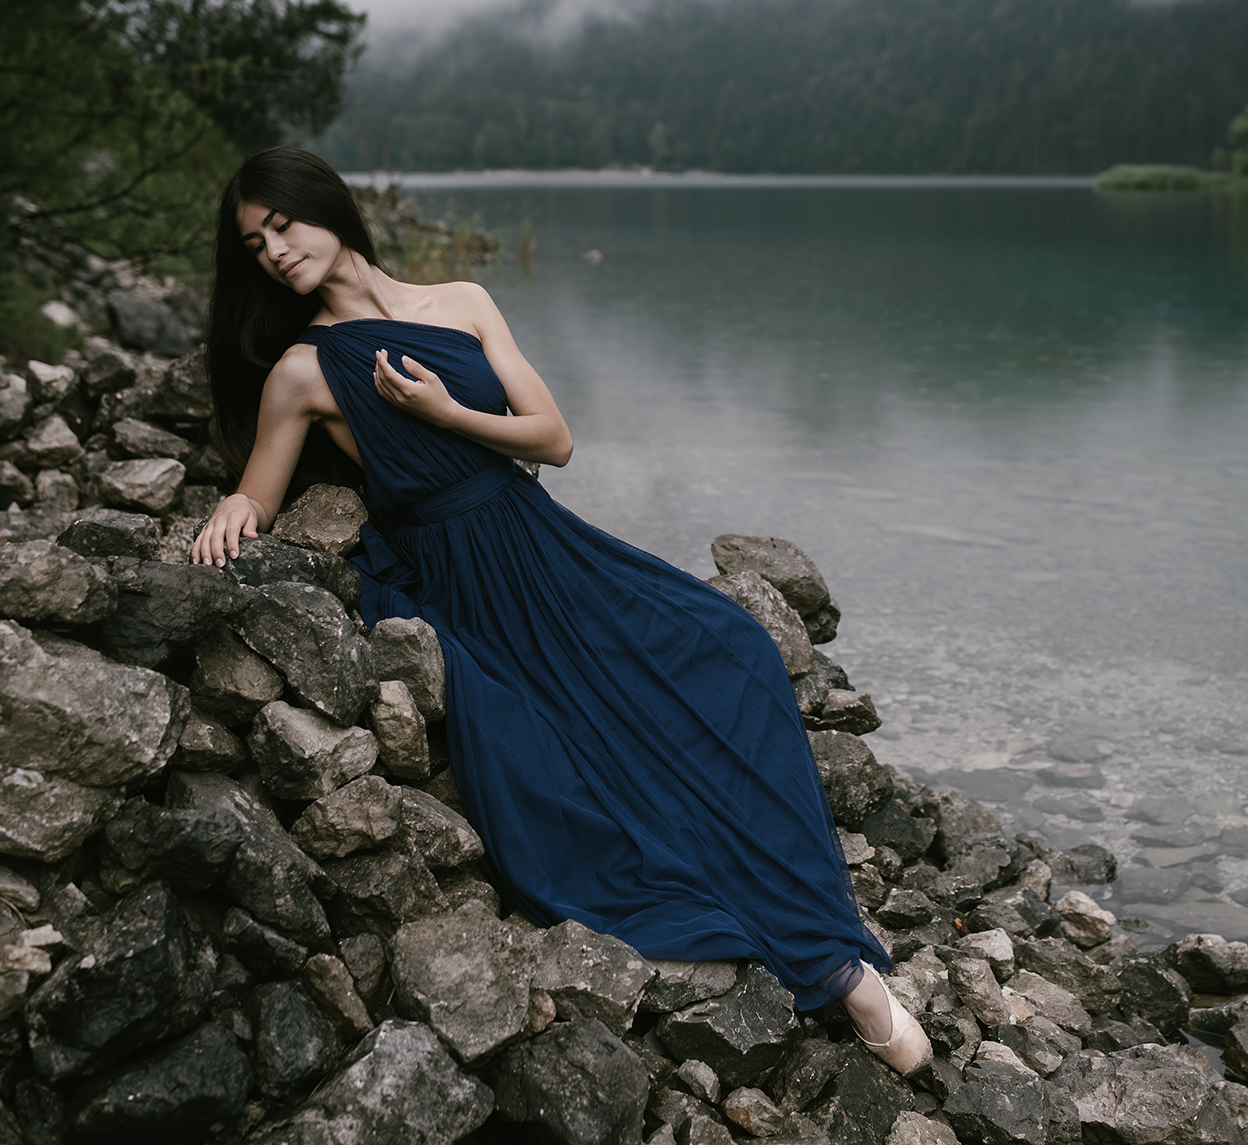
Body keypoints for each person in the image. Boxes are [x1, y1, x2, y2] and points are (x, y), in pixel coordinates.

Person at [189, 147, 929, 1074]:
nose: (271, 251)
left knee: (728, 645)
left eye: (281, 225)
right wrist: (236, 508)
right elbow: (258, 491)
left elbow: (555, 439)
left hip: (542, 537)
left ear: (325, 207)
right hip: (457, 578)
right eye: (253, 244)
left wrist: (444, 411)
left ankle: (826, 929)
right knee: (581, 757)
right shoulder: (302, 370)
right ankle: (833, 973)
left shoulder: (460, 301)